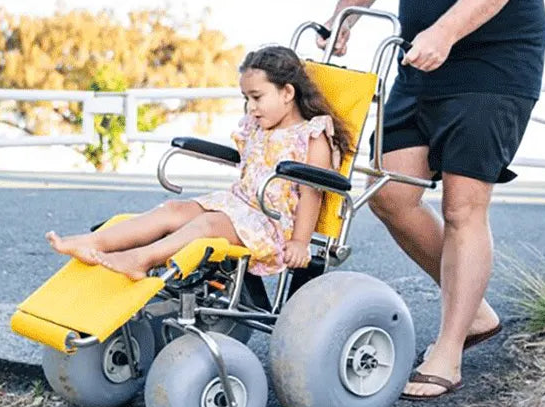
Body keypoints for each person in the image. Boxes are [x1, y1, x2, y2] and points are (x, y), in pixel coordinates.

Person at [322, 0, 545, 399]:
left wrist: (446, 33)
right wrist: (344, 18)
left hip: (493, 63)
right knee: (392, 195)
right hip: (421, 61)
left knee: (462, 205)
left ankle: (447, 350)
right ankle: (472, 310)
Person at [46, 46, 352, 281]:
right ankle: (93, 243)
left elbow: (314, 191)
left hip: (270, 226)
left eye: (257, 97)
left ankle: (141, 259)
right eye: (247, 98)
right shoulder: (258, 125)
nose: (251, 107)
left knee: (205, 225)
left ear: (287, 92)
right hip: (236, 205)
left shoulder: (311, 135)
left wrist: (300, 242)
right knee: (173, 210)